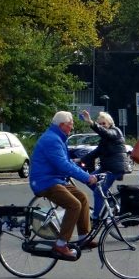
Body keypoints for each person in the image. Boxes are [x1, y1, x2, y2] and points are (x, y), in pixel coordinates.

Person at [29, 111, 98, 259]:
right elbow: (62, 165)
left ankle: (83, 237)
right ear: (62, 125)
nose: (72, 127)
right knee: (74, 205)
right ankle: (61, 244)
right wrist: (86, 177)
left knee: (82, 197)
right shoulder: (52, 140)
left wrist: (81, 168)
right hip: (45, 182)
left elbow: (65, 162)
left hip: (55, 179)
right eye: (70, 124)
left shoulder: (59, 137)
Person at [78, 109, 127, 221]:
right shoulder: (105, 139)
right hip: (106, 167)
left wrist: (91, 122)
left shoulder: (115, 132)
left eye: (104, 123)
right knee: (87, 179)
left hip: (114, 169)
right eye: (100, 124)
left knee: (98, 192)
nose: (102, 126)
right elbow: (96, 152)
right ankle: (107, 199)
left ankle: (95, 218)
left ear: (110, 123)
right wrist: (79, 160)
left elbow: (106, 132)